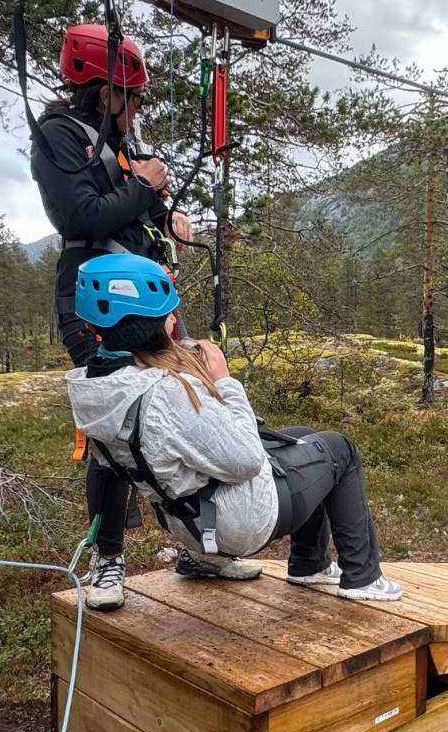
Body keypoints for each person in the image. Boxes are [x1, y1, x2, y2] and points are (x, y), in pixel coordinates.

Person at [63, 254, 404, 611]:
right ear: (147, 325)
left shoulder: (93, 389)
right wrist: (225, 381)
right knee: (339, 449)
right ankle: (363, 578)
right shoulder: (164, 395)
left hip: (186, 519)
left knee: (302, 436)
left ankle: (310, 565)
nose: (174, 318)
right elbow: (246, 460)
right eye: (167, 313)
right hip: (235, 524)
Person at [32, 23, 195, 604]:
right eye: (134, 96)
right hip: (95, 302)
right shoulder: (58, 137)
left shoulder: (118, 143)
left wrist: (165, 210)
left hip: (148, 292)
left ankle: (200, 543)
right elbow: (80, 218)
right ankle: (109, 562)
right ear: (106, 94)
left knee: (184, 406)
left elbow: (129, 205)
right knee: (112, 425)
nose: (139, 108)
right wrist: (144, 186)